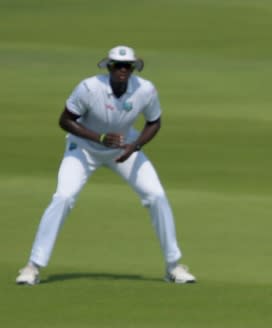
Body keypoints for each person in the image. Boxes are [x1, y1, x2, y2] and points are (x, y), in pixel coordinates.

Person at [15, 45, 196, 285]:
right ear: (109, 67)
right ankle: (32, 267)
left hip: (124, 147)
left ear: (133, 69)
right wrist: (99, 138)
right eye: (117, 66)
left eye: (127, 66)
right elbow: (65, 121)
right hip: (83, 148)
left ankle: (174, 267)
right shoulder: (89, 88)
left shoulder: (145, 90)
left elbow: (154, 122)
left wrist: (135, 146)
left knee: (156, 195)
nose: (122, 70)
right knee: (64, 197)